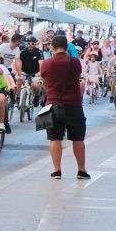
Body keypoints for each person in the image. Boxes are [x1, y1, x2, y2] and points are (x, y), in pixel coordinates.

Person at [40, 34, 89, 179]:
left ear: (52, 48)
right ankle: (81, 170)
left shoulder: (47, 63)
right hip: (74, 104)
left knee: (55, 138)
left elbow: (44, 77)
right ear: (67, 47)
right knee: (78, 138)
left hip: (53, 104)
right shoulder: (75, 62)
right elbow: (77, 76)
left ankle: (57, 170)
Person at [18, 35, 45, 105]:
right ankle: (18, 97)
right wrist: (19, 72)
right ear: (26, 44)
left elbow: (41, 63)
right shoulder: (22, 51)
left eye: (33, 43)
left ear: (35, 44)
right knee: (19, 81)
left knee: (35, 85)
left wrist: (40, 73)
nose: (30, 45)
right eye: (28, 43)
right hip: (24, 72)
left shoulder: (39, 52)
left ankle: (37, 96)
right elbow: (17, 62)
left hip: (36, 73)